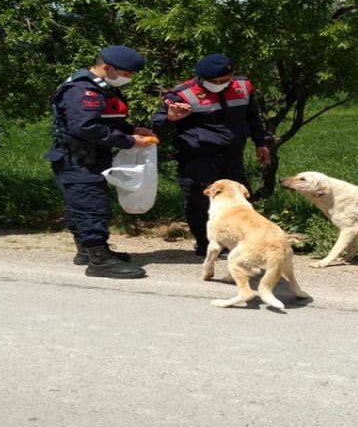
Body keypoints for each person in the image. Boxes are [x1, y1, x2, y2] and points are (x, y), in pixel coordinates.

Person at [46, 45, 158, 279]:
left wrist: (131, 130)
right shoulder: (82, 90)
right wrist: (129, 141)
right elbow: (85, 127)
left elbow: (106, 119)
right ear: (107, 68)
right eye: (127, 73)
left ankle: (86, 251)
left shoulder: (101, 87)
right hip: (78, 158)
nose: (130, 78)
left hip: (89, 156)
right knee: (91, 206)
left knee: (81, 205)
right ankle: (99, 260)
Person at [150, 53, 274, 257]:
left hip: (232, 155)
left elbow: (252, 117)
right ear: (200, 77)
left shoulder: (243, 87)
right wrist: (171, 117)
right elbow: (157, 125)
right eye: (213, 82)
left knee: (234, 202)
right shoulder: (182, 94)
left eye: (224, 80)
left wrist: (261, 142)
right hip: (198, 156)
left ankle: (232, 242)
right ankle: (205, 244)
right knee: (199, 202)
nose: (218, 85)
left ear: (232, 74)